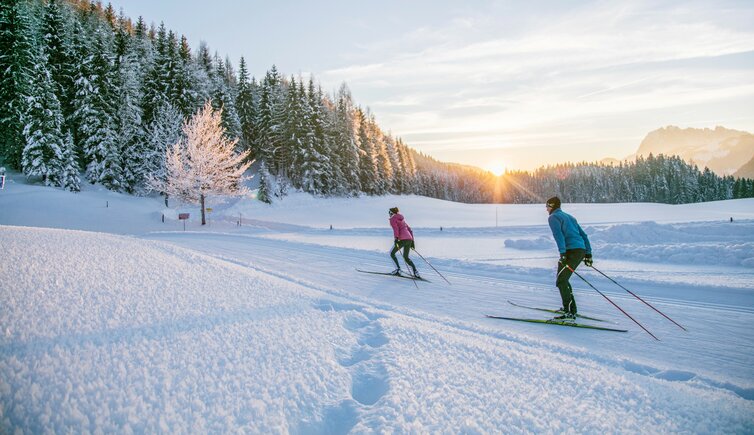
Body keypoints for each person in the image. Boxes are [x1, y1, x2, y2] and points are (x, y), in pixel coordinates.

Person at [546, 196, 592, 320]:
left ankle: (569, 312)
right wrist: (588, 254)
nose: (546, 209)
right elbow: (583, 235)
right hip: (579, 250)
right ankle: (570, 309)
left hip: (571, 251)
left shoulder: (553, 217)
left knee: (561, 280)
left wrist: (563, 254)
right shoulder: (570, 217)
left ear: (552, 206)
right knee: (563, 279)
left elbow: (558, 235)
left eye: (547, 206)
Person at [388, 207, 419, 277]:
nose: (389, 215)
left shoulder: (392, 219)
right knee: (406, 257)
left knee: (391, 253)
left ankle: (398, 270)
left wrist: (396, 239)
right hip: (409, 239)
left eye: (389, 213)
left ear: (391, 213)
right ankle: (415, 272)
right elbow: (410, 230)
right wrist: (412, 242)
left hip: (402, 239)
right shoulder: (402, 219)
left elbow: (396, 229)